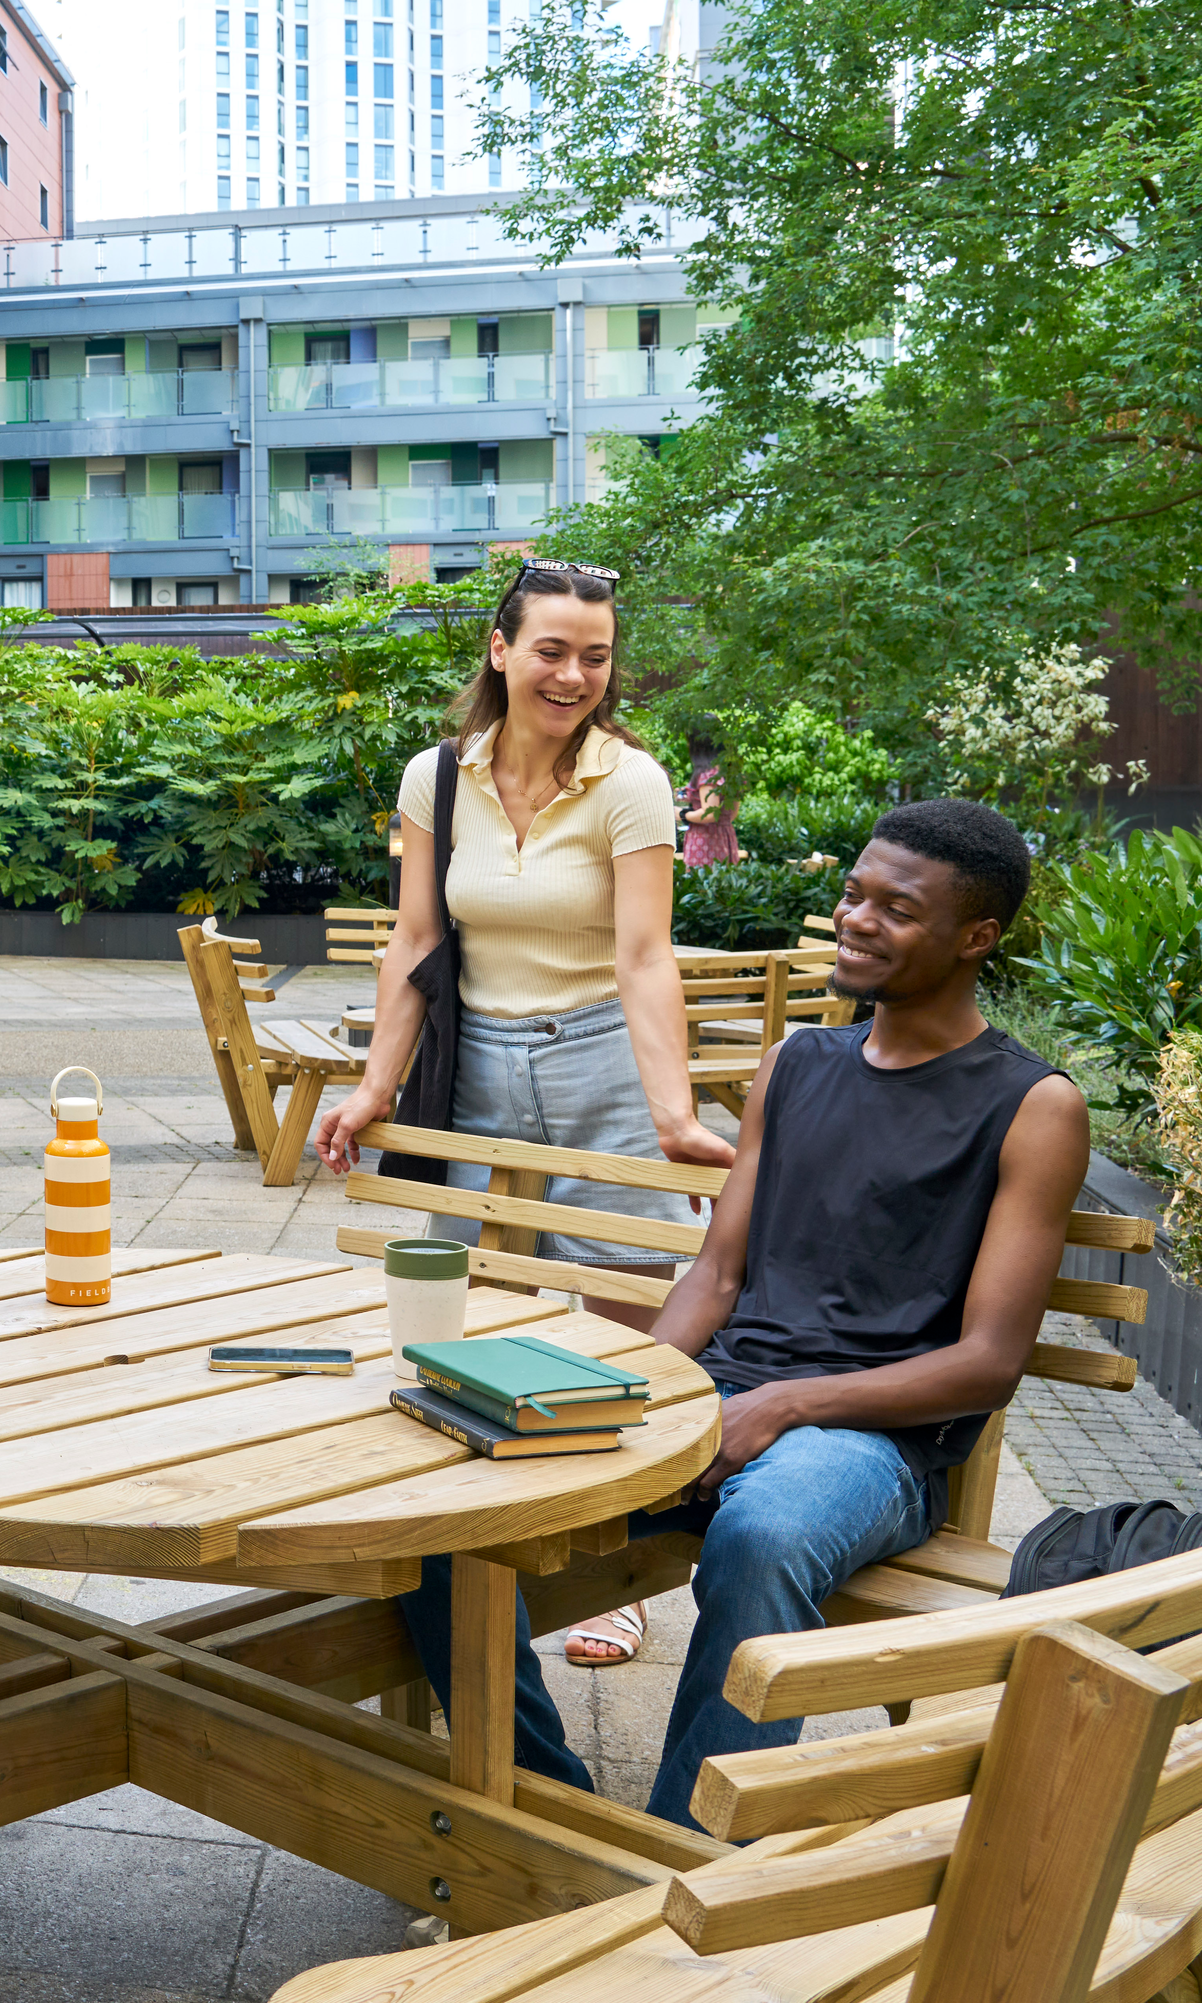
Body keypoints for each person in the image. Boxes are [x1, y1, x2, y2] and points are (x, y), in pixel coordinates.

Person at [391, 800, 1089, 1831]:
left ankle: (683, 1859)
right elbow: (716, 1278)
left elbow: (987, 1361)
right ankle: (549, 1814)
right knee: (437, 1510)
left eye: (897, 909)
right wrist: (628, 1395)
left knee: (761, 1534)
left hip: (874, 1441)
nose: (856, 919)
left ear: (976, 936)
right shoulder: (796, 1065)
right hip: (724, 1391)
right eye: (855, 893)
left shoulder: (1033, 1104)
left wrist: (784, 1407)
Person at [316, 557, 737, 1669]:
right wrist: (368, 1091)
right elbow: (416, 942)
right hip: (478, 1070)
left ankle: (621, 1566)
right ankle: (465, 1550)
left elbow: (646, 958)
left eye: (595, 655)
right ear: (500, 649)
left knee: (630, 1315)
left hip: (599, 1057)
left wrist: (674, 1113)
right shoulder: (436, 778)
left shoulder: (631, 782)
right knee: (469, 1315)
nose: (574, 674)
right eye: (552, 649)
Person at [681, 731, 744, 867]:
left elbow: (710, 813)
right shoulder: (729, 772)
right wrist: (694, 798)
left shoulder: (707, 775)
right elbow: (731, 814)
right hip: (725, 839)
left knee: (701, 884)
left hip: (704, 842)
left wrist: (682, 814)